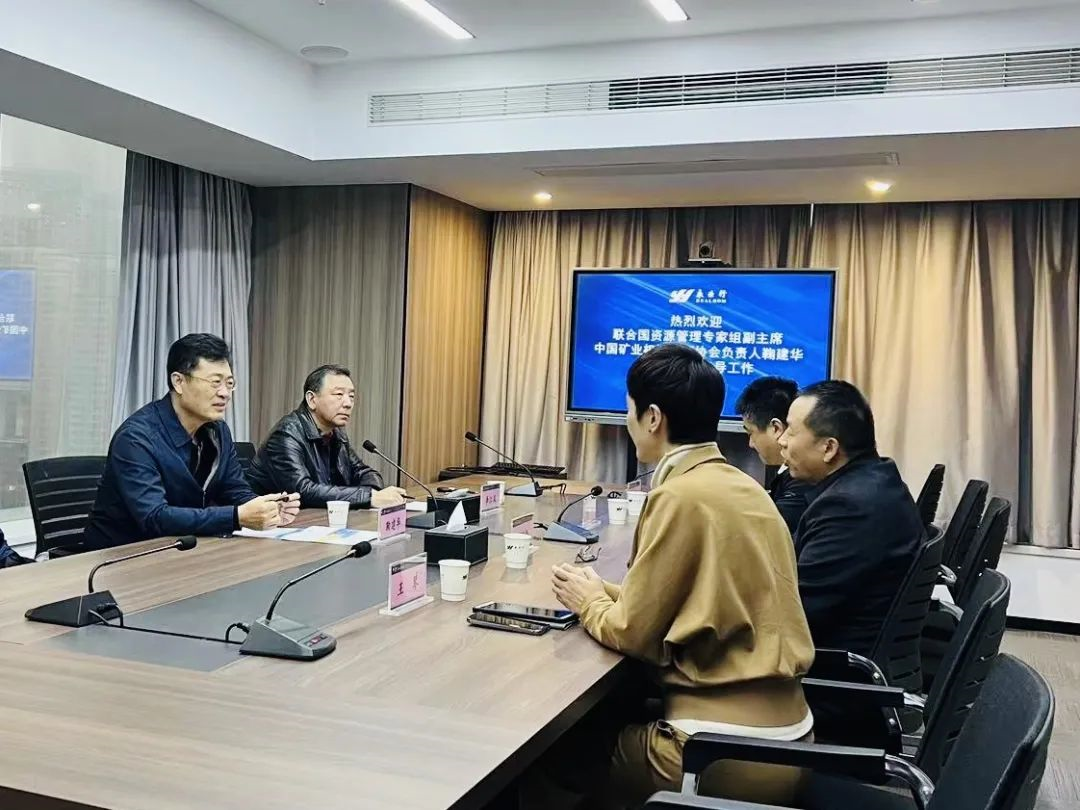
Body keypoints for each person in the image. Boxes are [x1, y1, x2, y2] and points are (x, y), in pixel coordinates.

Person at [539, 344, 815, 809]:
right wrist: (603, 591)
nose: (628, 422)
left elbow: (634, 633)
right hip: (787, 740)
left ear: (652, 417)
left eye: (629, 409)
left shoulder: (679, 495)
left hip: (717, 755)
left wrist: (591, 604)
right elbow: (690, 598)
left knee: (548, 756)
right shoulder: (743, 486)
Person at [83, 334, 300, 550]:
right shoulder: (136, 438)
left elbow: (235, 490)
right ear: (179, 382)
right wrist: (237, 517)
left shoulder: (218, 431)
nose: (225, 393)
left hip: (184, 547)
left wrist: (268, 509)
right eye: (215, 382)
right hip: (123, 555)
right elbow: (154, 517)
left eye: (229, 383)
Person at [778, 380, 923, 657]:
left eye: (791, 431)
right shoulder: (875, 479)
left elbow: (795, 616)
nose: (782, 441)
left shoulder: (849, 507)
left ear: (829, 448)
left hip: (833, 668)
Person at [246, 364, 406, 509]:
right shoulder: (286, 435)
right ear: (311, 399)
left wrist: (376, 494)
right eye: (339, 394)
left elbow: (363, 472)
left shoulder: (336, 434)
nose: (348, 403)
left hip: (318, 520)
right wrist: (369, 497)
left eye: (351, 396)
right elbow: (303, 491)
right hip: (275, 524)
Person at [734, 376, 815, 535]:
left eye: (751, 433)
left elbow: (766, 533)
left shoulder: (803, 480)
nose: (751, 443)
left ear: (776, 428)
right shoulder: (790, 476)